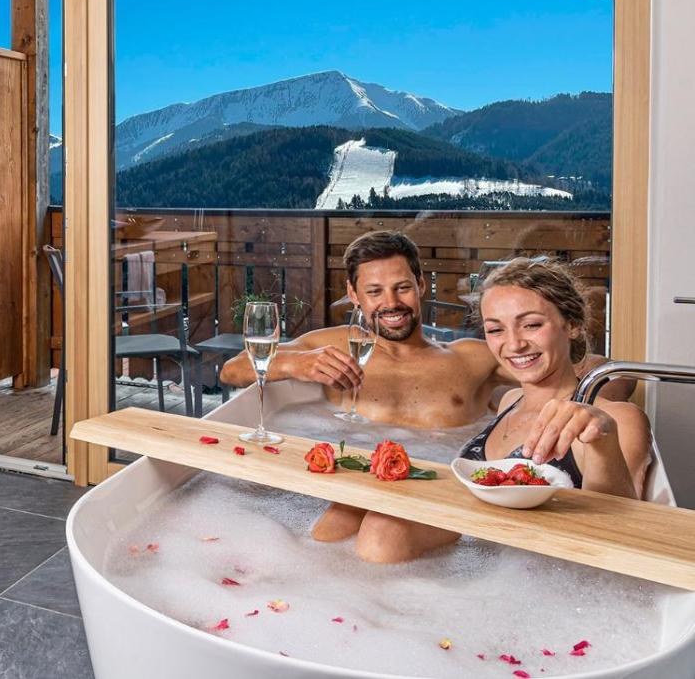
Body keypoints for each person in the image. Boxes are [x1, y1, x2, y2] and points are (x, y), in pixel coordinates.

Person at [345, 257, 652, 563]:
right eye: (495, 330)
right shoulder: (510, 400)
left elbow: (624, 534)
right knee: (363, 520)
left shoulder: (615, 419)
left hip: (548, 573)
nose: (514, 344)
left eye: (531, 325)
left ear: (571, 325)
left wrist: (602, 441)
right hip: (480, 564)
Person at [216, 230, 629, 430]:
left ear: (421, 286)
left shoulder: (472, 357)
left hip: (444, 489)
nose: (391, 303)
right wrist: (295, 363)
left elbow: (613, 376)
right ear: (354, 295)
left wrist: (578, 407)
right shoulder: (330, 346)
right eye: (374, 292)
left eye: (402, 288)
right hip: (350, 480)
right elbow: (232, 370)